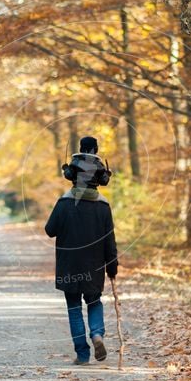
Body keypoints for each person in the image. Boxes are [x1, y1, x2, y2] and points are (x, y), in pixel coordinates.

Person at [45, 136, 119, 365]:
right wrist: (112, 267)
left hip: (69, 265)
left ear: (72, 176)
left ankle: (83, 355)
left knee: (74, 307)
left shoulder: (64, 203)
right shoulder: (103, 207)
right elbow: (110, 242)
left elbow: (50, 230)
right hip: (94, 266)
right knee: (94, 301)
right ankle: (97, 333)